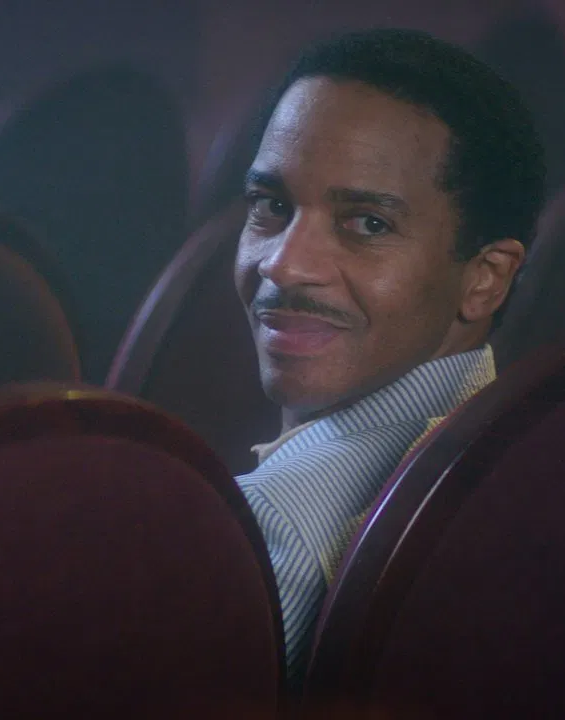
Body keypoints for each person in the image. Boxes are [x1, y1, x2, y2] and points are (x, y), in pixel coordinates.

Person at [233, 27, 546, 682]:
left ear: (485, 278)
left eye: (368, 224)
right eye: (271, 205)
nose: (284, 264)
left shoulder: (272, 528)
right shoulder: (555, 456)